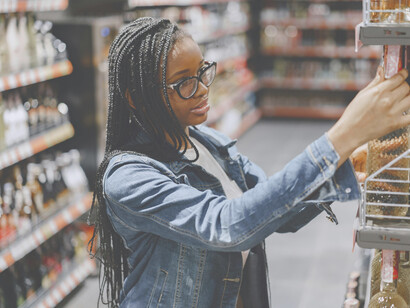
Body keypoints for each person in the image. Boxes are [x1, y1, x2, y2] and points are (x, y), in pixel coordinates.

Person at [87, 17, 410, 308]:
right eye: (183, 82)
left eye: (202, 71)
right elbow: (228, 225)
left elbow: (273, 210)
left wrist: (348, 165)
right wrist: (341, 136)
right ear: (135, 96)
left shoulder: (205, 142)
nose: (202, 89)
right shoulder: (127, 177)